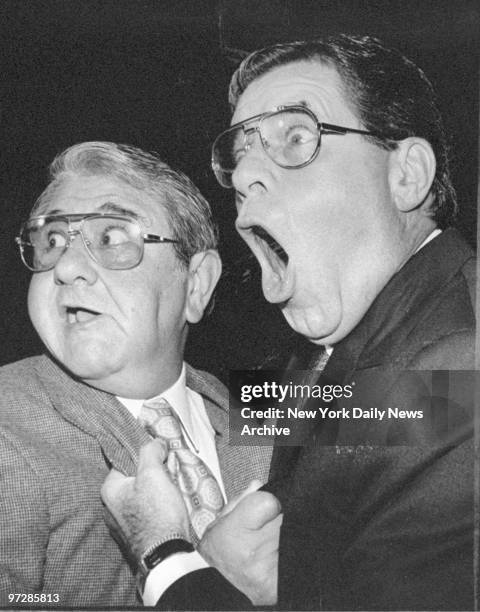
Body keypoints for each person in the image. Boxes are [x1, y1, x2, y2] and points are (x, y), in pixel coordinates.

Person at [102, 35, 476, 610]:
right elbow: (334, 409)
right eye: (240, 153)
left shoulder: (459, 369)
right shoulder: (350, 347)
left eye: (295, 137)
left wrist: (167, 556)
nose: (245, 172)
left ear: (407, 175)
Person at [0, 141, 271, 607]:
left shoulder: (260, 405)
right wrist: (197, 571)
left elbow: (432, 406)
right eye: (51, 240)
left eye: (110, 237)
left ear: (197, 284)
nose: (65, 267)